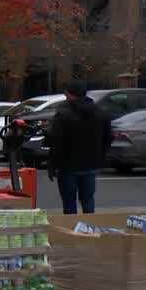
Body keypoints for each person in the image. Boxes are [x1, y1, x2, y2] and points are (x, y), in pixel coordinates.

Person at [46, 80, 112, 214]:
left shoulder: (63, 114)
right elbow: (108, 137)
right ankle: (88, 229)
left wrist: (52, 164)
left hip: (68, 165)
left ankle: (71, 230)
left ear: (70, 94)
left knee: (69, 202)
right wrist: (100, 155)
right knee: (88, 200)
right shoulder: (100, 113)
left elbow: (56, 141)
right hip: (91, 163)